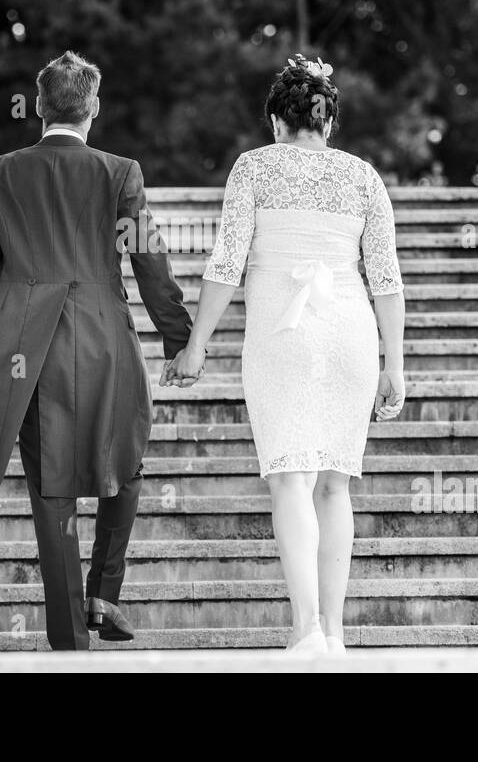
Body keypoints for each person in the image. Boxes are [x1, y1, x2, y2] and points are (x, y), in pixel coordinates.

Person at [0, 51, 193, 651]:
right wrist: (179, 339)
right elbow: (149, 260)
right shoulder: (121, 172)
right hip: (106, 337)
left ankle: (69, 633)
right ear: (93, 108)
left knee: (52, 488)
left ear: (41, 106)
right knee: (124, 461)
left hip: (28, 348)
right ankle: (105, 592)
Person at [162, 54, 407, 655]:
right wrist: (394, 365)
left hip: (282, 334)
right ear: (330, 123)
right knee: (335, 485)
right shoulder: (364, 176)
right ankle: (338, 634)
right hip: (351, 332)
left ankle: (306, 632)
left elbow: (226, 264)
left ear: (277, 120)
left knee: (290, 480)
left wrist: (197, 346)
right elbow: (387, 279)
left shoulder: (253, 168)